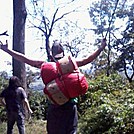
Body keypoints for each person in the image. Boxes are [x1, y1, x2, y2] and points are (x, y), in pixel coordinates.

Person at [0, 38, 107, 134]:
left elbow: (24, 59)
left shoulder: (44, 64)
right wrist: (101, 48)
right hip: (70, 106)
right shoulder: (69, 64)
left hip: (54, 107)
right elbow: (87, 60)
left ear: (51, 54)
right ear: (63, 52)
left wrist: (7, 50)